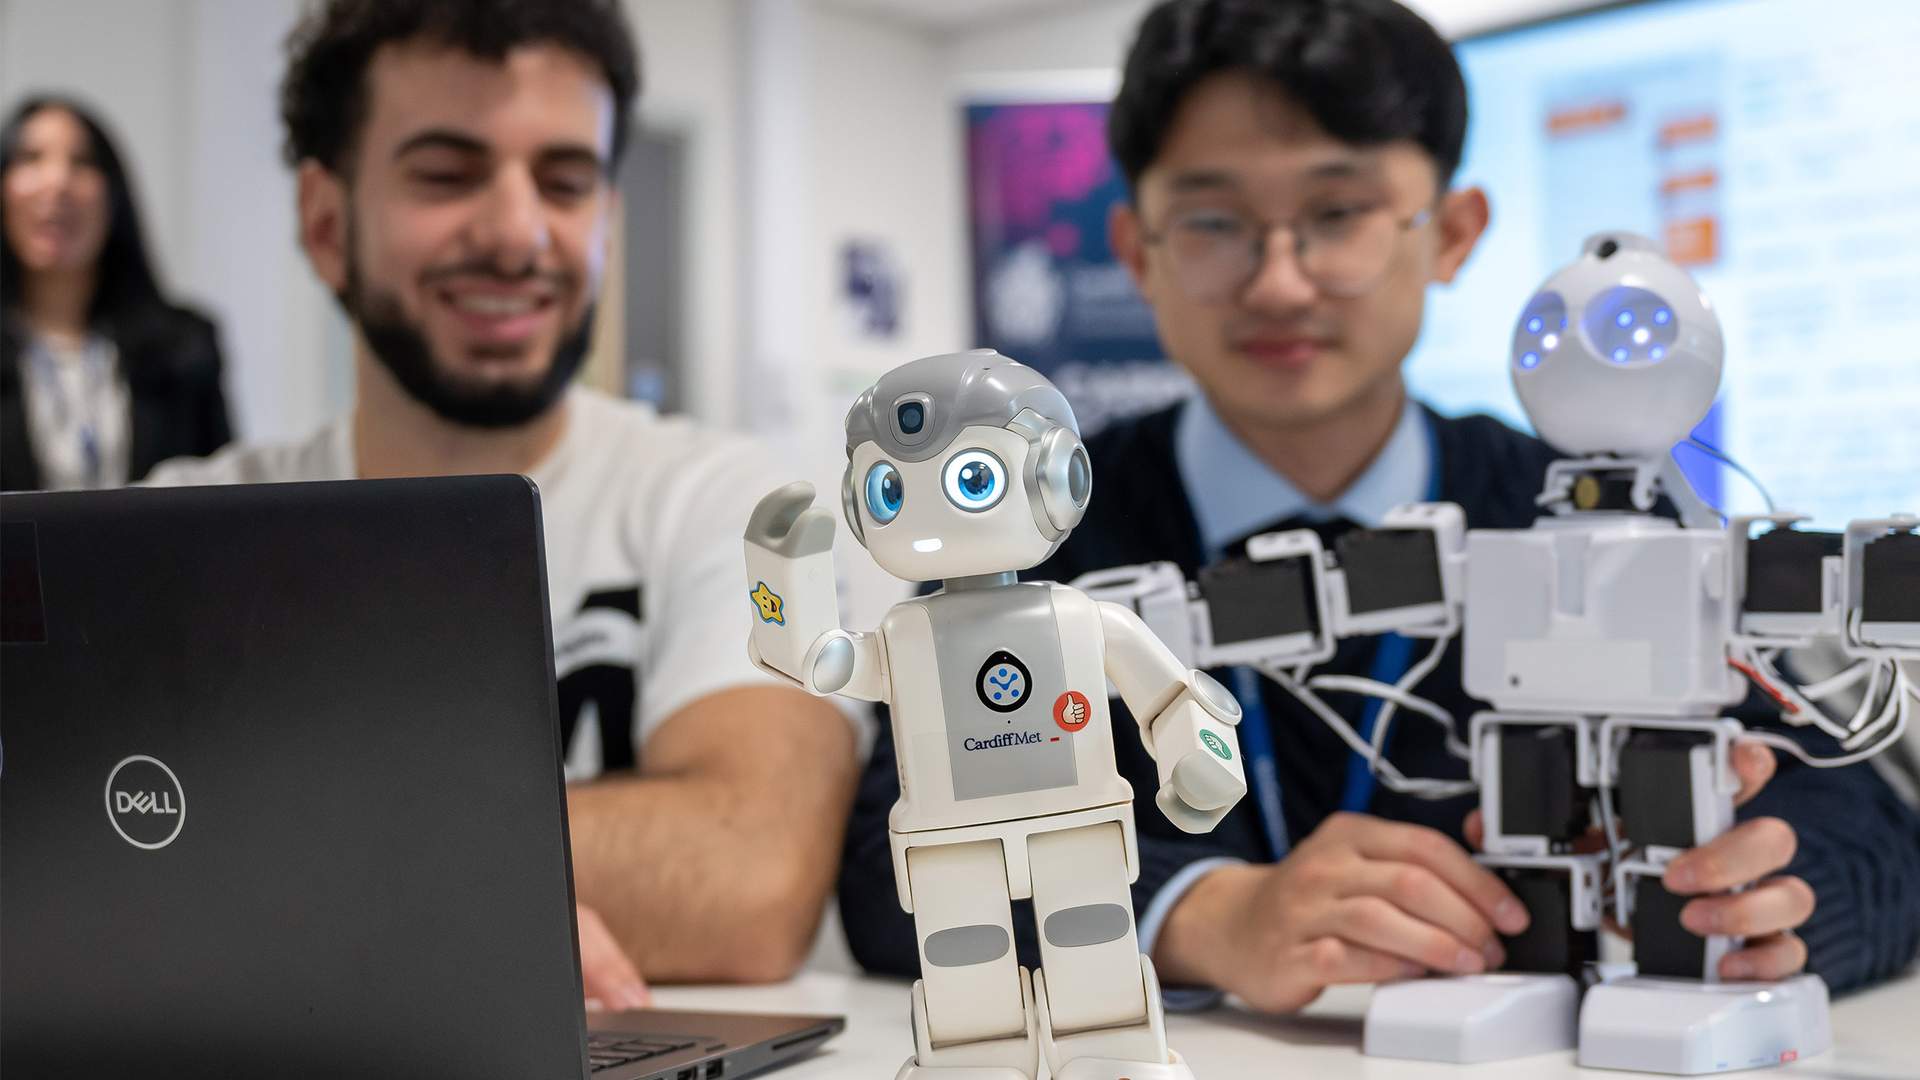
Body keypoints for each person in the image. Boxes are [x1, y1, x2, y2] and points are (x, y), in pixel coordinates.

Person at [840, 0, 1920, 1013]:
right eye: (1214, 221)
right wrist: (1197, 913)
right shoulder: (1033, 536)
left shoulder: (1580, 518)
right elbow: (891, 860)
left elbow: (1875, 835)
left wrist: (1779, 901)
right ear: (1138, 251)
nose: (1278, 282)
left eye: (1338, 212)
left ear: (1450, 232)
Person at [144, 0, 860, 1007]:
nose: (518, 234)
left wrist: (273, 865)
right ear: (325, 222)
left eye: (566, 183)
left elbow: (751, 875)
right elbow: (66, 862)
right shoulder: (174, 533)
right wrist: (469, 891)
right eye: (445, 174)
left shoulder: (741, 507)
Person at [1, 96, 231, 491]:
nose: (56, 183)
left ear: (114, 196)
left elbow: (222, 505)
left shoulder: (186, 344)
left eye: (82, 162)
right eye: (30, 158)